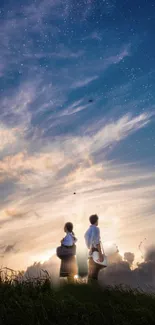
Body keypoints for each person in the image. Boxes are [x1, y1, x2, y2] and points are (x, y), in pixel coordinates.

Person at [84, 214, 105, 283]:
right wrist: (100, 254)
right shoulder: (96, 229)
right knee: (95, 273)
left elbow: (88, 244)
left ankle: (89, 289)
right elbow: (97, 242)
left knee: (90, 272)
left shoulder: (87, 231)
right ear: (96, 221)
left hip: (90, 252)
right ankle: (95, 289)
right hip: (95, 250)